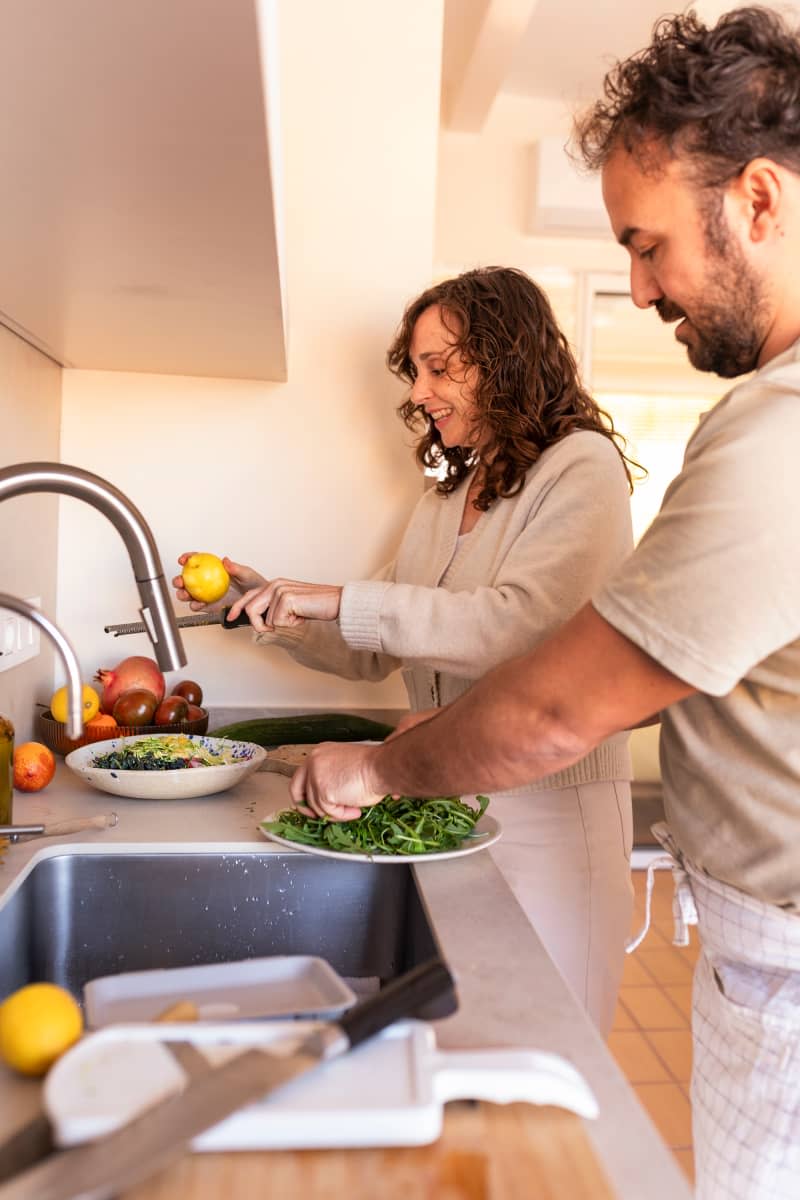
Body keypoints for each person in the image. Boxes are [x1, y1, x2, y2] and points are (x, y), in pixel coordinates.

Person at [291, 9, 800, 1200]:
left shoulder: (769, 437)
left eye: (645, 244)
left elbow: (559, 701)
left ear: (760, 203)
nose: (632, 290)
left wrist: (377, 770)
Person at [175, 265, 639, 1036]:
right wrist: (266, 605)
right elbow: (373, 648)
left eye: (438, 367)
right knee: (463, 1029)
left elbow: (517, 628)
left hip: (553, 806)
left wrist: (335, 595)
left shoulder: (580, 468)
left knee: (550, 1034)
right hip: (446, 787)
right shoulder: (445, 499)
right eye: (416, 370)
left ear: (504, 358)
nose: (419, 392)